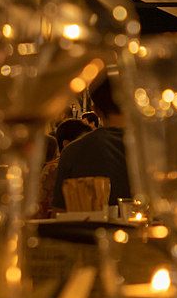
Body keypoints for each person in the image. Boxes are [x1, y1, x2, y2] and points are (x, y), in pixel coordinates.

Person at [52, 75, 131, 212]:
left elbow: (60, 212)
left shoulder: (72, 151)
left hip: (89, 225)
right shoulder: (155, 148)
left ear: (96, 110)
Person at [35, 119, 92, 219]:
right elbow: (44, 211)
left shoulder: (81, 166)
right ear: (66, 144)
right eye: (83, 142)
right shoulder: (54, 169)